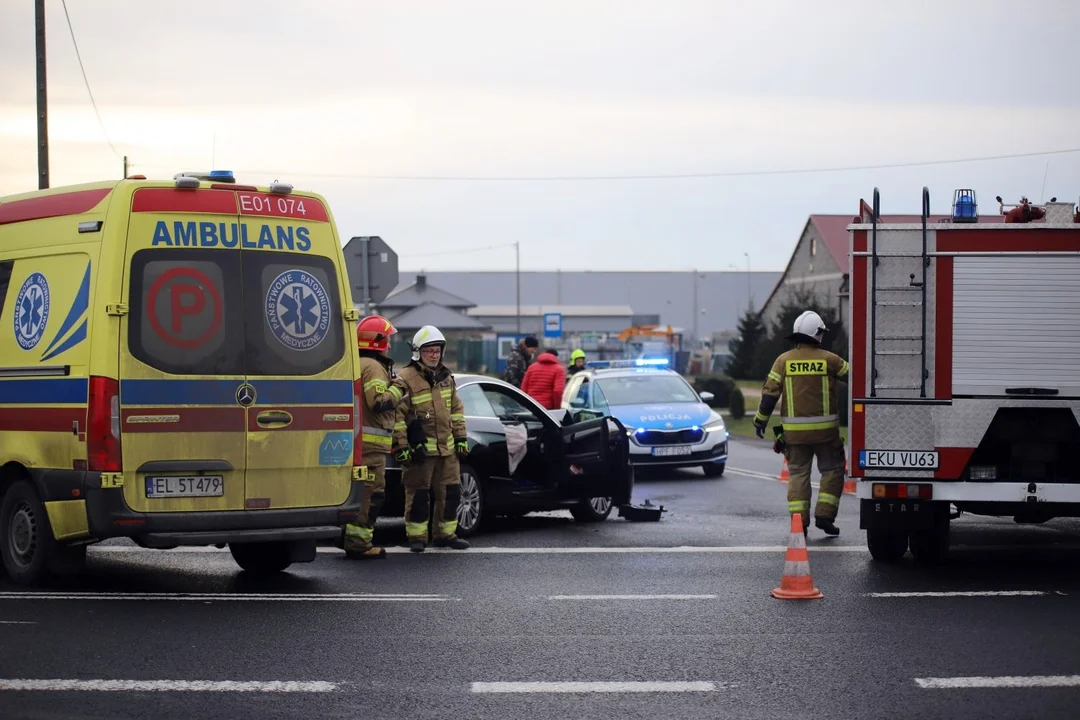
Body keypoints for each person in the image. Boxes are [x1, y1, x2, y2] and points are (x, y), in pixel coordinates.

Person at [752, 310, 850, 537]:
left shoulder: (783, 361)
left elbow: (769, 396)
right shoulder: (830, 359)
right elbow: (857, 376)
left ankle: (800, 523)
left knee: (797, 474)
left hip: (794, 435)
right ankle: (825, 515)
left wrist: (760, 421)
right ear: (817, 334)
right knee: (833, 470)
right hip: (826, 434)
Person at [392, 325, 471, 553]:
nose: (434, 355)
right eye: (430, 351)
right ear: (418, 352)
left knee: (451, 493)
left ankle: (446, 535)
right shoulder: (406, 378)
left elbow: (456, 409)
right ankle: (417, 538)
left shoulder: (446, 378)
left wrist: (461, 437)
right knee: (418, 495)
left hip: (447, 451)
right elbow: (397, 416)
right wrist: (402, 446)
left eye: (437, 351)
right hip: (421, 452)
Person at [343, 315, 403, 559]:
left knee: (359, 492)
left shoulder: (356, 362)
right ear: (378, 342)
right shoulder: (374, 367)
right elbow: (379, 402)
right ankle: (359, 543)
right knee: (372, 493)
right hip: (371, 445)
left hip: (358, 440)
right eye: (387, 339)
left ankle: (349, 537)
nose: (389, 344)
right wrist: (399, 388)